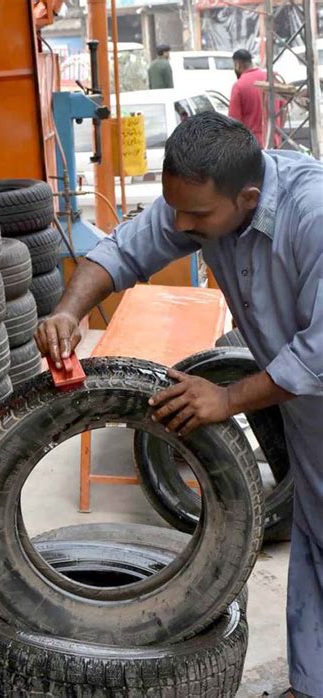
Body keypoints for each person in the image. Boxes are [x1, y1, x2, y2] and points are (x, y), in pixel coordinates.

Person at [36, 112, 323, 698]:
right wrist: (68, 311)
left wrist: (228, 398)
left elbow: (319, 354)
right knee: (316, 539)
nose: (182, 227)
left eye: (196, 216)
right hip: (309, 412)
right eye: (177, 211)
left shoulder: (312, 217)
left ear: (248, 197)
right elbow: (123, 250)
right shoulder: (203, 209)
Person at [229, 48, 283, 147]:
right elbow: (283, 110)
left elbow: (234, 122)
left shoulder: (239, 86)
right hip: (274, 141)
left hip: (252, 146)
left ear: (237, 64)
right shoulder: (272, 79)